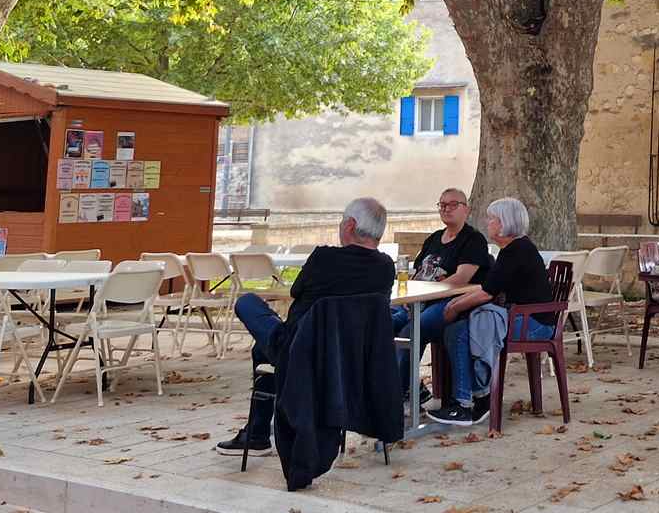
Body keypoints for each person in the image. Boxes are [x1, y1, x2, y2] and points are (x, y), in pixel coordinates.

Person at [215, 197, 395, 456]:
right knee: (261, 349)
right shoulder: (386, 268)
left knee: (247, 303)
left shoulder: (324, 258)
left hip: (301, 349)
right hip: (353, 355)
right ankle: (255, 432)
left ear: (351, 225)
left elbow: (296, 290)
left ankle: (256, 434)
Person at [429, 198, 555, 426]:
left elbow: (486, 293)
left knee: (459, 331)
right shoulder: (513, 249)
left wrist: (453, 306)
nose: (487, 223)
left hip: (534, 324)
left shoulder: (516, 251)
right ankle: (476, 398)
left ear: (504, 223)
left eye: (492, 219)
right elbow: (488, 287)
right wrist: (456, 304)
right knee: (460, 327)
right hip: (522, 317)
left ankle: (466, 404)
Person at [394, 188, 491, 403]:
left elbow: (461, 278)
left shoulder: (473, 240)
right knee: (383, 323)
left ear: (466, 209)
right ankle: (409, 387)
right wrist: (410, 297)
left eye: (452, 204)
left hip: (451, 303)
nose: (446, 209)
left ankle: (399, 394)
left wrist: (421, 297)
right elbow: (417, 273)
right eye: (442, 204)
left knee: (413, 329)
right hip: (417, 300)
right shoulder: (434, 239)